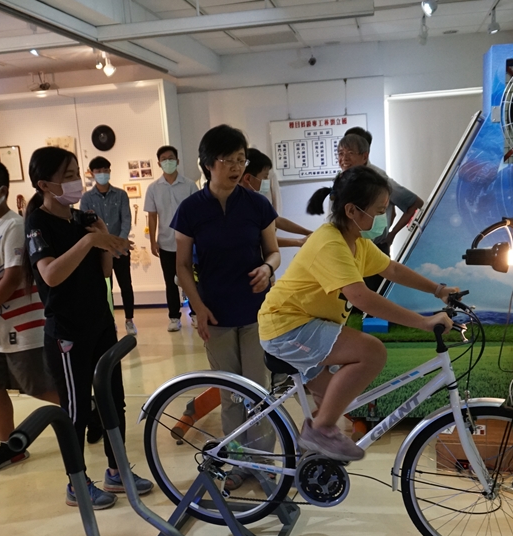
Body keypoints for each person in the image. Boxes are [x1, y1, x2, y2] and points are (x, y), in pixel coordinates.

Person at [258, 166, 457, 462]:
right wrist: (424, 323)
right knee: (372, 352)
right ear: (352, 210)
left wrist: (438, 289)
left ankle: (310, 456)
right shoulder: (330, 243)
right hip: (287, 327)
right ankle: (318, 431)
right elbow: (362, 298)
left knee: (334, 399)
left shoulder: (356, 243)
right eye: (378, 211)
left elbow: (392, 269)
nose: (382, 218)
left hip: (306, 324)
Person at [24, 146, 154, 509]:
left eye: (75, 174)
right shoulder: (37, 224)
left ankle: (117, 471)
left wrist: (102, 236)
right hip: (67, 332)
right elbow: (50, 275)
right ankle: (76, 483)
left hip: (100, 323)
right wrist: (90, 240)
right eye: (66, 176)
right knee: (76, 409)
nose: (75, 182)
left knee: (113, 400)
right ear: (44, 184)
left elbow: (105, 272)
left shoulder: (82, 219)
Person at [173, 125, 280, 490]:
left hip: (255, 312)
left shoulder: (256, 204)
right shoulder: (190, 210)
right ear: (208, 164)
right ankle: (236, 462)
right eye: (228, 160)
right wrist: (198, 308)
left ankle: (263, 463)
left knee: (258, 392)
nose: (236, 167)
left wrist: (267, 269)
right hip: (214, 314)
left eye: (241, 160)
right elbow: (182, 266)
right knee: (230, 394)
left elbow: (273, 252)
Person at [0, 159, 60, 477]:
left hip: (20, 324)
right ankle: (10, 446)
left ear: (2, 190)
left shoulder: (14, 226)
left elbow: (13, 276)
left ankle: (90, 412)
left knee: (38, 387)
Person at [340, 128, 424, 253]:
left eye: (351, 151)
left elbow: (415, 204)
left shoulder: (378, 178)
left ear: (364, 154)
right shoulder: (344, 177)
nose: (345, 157)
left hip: (374, 247)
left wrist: (392, 234)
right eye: (342, 152)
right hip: (349, 246)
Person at [79, 157, 136, 336]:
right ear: (92, 173)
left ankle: (129, 320)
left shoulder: (121, 194)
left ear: (110, 171)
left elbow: (126, 220)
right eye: (98, 171)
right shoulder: (86, 198)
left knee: (126, 285)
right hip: (99, 251)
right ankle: (108, 320)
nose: (102, 173)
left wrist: (118, 242)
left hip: (120, 248)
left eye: (105, 170)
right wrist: (104, 244)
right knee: (104, 288)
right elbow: (86, 224)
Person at [145, 145, 198, 332]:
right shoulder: (153, 188)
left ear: (177, 161)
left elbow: (197, 213)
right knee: (170, 281)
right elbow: (152, 216)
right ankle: (174, 317)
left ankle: (195, 313)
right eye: (164, 159)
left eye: (171, 158)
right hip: (166, 242)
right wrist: (153, 241)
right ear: (159, 163)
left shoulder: (190, 185)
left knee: (192, 279)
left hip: (189, 242)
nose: (168, 161)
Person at [240, 148, 312, 249]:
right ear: (248, 178)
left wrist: (309, 233)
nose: (267, 181)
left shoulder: (257, 200)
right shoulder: (237, 205)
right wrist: (299, 242)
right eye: (265, 177)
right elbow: (260, 239)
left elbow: (275, 220)